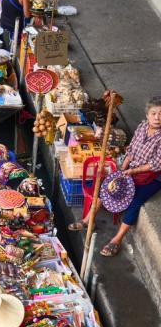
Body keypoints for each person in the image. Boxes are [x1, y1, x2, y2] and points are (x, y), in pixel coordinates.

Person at [68, 97, 161, 257]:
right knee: (107, 186)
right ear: (147, 115)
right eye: (154, 113)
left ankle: (116, 240)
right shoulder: (142, 126)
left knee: (135, 202)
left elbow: (156, 164)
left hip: (151, 177)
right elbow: (131, 150)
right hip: (131, 169)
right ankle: (87, 220)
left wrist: (132, 172)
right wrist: (122, 169)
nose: (157, 117)